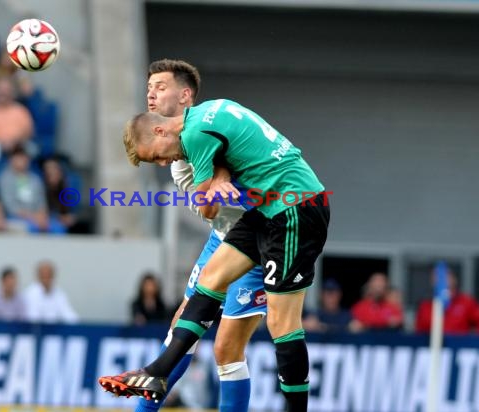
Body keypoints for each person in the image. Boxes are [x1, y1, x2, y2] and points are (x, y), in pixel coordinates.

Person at [99, 98, 330, 412]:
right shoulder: (209, 111)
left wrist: (214, 181)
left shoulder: (194, 136)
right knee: (211, 277)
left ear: (159, 130)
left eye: (156, 157)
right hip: (266, 208)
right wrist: (220, 175)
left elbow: (208, 207)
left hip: (295, 208)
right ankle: (157, 373)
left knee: (282, 322)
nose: (164, 164)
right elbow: (231, 144)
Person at [133, 59, 267, 412]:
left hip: (257, 241)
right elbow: (208, 205)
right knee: (180, 329)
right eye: (149, 88)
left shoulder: (214, 123)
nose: (151, 93)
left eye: (160, 87)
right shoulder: (179, 162)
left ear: (185, 95)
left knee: (227, 348)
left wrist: (226, 174)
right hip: (222, 237)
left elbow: (238, 156)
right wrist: (219, 178)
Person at [415, 268, 479, 334]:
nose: (440, 279)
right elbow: (419, 332)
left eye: (444, 275)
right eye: (435, 276)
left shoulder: (466, 302)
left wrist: (473, 341)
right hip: (431, 343)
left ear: (454, 279)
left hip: (459, 343)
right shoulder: (425, 306)